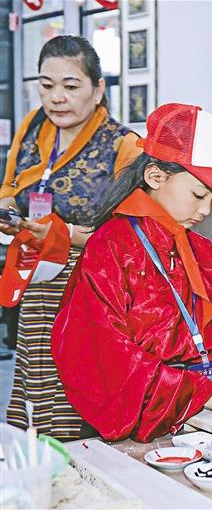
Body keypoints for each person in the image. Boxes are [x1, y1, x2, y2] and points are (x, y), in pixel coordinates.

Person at [50, 103, 212, 442]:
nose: (206, 209)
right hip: (136, 425)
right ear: (155, 177)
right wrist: (203, 392)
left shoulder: (203, 252)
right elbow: (102, 356)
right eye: (198, 194)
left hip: (208, 419)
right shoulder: (110, 248)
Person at [0, 35, 141, 439]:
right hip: (38, 280)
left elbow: (131, 238)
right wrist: (10, 213)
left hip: (90, 288)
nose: (56, 97)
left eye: (71, 85)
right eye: (46, 85)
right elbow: (10, 185)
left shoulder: (124, 145)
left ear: (98, 89)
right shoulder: (33, 126)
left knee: (80, 388)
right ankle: (41, 464)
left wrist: (65, 235)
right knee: (37, 382)